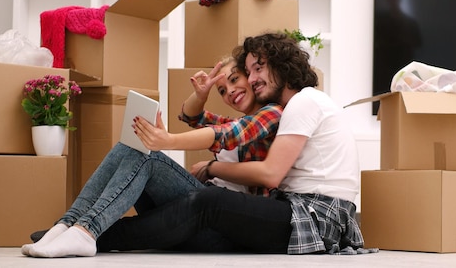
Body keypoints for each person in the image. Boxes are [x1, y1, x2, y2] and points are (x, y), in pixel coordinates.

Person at [88, 32, 371, 255]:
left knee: (209, 201)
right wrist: (200, 97)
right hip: (306, 212)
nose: (254, 79)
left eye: (258, 69)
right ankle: (82, 226)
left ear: (282, 64)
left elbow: (270, 174)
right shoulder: (289, 109)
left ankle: (96, 234)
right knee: (166, 182)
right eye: (250, 72)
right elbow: (199, 119)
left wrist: (210, 167)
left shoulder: (303, 102)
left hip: (315, 217)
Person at [21, 56, 283, 257]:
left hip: (224, 225)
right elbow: (193, 117)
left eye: (235, 79)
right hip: (197, 207)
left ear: (250, 78)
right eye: (222, 90)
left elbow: (225, 133)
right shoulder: (237, 119)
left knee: (149, 156)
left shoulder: (270, 114)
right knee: (132, 145)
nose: (230, 92)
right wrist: (201, 94)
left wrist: (188, 152)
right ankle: (69, 224)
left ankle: (86, 231)